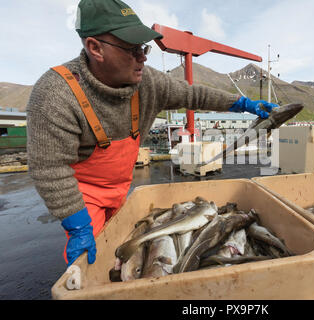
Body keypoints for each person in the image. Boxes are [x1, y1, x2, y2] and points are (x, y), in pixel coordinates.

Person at [26, 0, 278, 267]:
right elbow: (50, 168)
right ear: (95, 48)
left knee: (126, 253)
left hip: (121, 188)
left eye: (142, 48)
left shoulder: (148, 81)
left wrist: (242, 104)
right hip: (81, 195)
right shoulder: (55, 94)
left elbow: (194, 94)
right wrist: (77, 225)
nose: (142, 57)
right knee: (93, 263)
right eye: (132, 49)